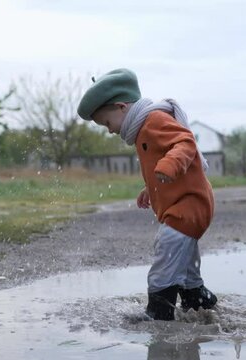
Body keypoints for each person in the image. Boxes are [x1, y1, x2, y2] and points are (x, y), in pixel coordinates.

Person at [78, 68, 217, 321]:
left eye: (107, 123)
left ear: (121, 107)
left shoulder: (154, 121)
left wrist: (170, 165)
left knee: (166, 256)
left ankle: (158, 314)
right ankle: (199, 304)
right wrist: (151, 188)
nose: (109, 131)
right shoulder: (142, 128)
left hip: (188, 207)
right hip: (187, 205)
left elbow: (185, 143)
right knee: (185, 268)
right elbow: (160, 160)